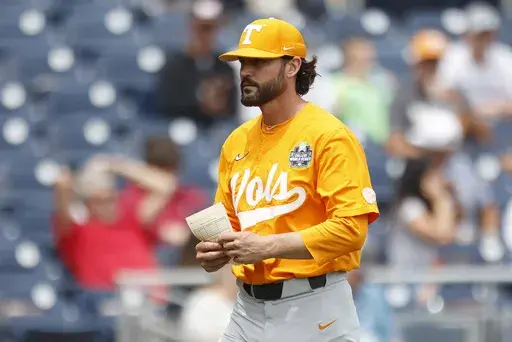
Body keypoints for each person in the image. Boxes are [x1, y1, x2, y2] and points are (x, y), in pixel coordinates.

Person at [195, 17, 380, 342]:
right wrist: (216, 252)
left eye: (259, 61)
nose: (246, 71)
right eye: (243, 62)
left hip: (314, 307)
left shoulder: (329, 135)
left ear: (293, 66)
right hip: (246, 310)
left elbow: (352, 230)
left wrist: (267, 246)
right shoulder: (236, 142)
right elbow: (231, 227)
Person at [154, 0, 237, 129]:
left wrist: (217, 102)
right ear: (191, 28)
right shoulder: (174, 65)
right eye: (202, 28)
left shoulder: (224, 67)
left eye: (211, 29)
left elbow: (231, 110)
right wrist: (200, 97)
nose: (205, 36)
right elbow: (165, 105)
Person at [331, 37, 395, 145]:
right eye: (362, 50)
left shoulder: (381, 83)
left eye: (369, 50)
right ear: (349, 54)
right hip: (352, 145)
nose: (368, 54)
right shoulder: (335, 83)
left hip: (381, 148)